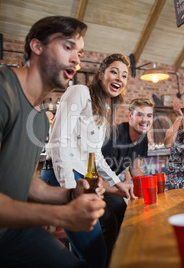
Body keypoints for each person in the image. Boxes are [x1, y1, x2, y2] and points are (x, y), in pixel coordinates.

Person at [0, 16, 106, 268]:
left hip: (9, 231)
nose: (76, 59)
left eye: (80, 53)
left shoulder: (38, 118)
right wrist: (60, 214)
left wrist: (71, 193)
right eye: (67, 47)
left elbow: (28, 186)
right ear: (36, 46)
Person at [42, 53, 136, 267]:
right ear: (101, 74)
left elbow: (96, 156)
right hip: (63, 177)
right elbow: (58, 140)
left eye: (124, 75)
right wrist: (69, 192)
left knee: (83, 253)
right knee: (96, 254)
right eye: (114, 71)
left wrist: (118, 183)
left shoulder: (102, 108)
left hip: (81, 181)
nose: (119, 78)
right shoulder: (80, 92)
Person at [101, 97, 154, 258]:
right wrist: (124, 192)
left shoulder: (142, 138)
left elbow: (136, 169)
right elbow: (96, 176)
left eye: (149, 115)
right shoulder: (114, 136)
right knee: (110, 221)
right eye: (140, 115)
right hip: (91, 184)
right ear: (130, 116)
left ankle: (126, 254)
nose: (145, 120)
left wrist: (148, 189)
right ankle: (108, 259)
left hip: (110, 183)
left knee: (126, 213)